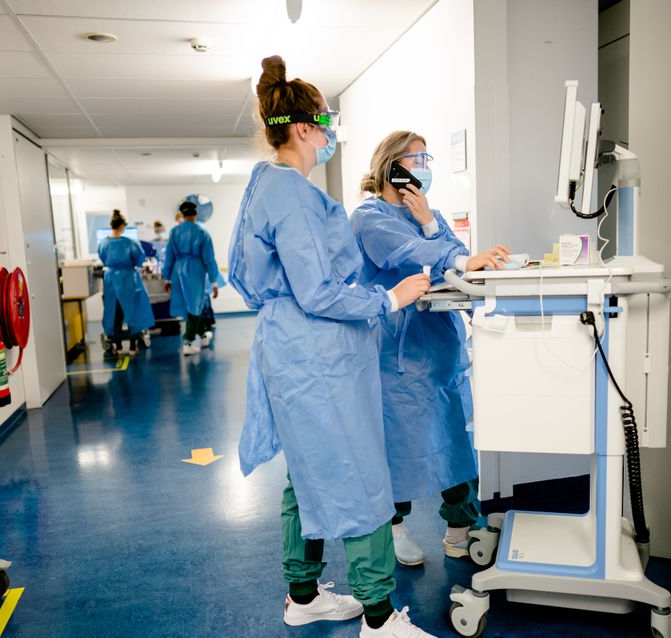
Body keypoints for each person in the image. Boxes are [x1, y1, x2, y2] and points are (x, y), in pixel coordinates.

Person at [229, 56, 435, 638]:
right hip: (317, 356)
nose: (330, 136)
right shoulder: (293, 193)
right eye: (327, 125)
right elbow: (319, 291)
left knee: (307, 473)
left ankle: (302, 596)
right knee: (358, 472)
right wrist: (388, 300)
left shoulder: (263, 185)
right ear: (303, 127)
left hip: (291, 350)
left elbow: (262, 279)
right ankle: (378, 615)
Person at [351, 131, 512, 566]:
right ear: (393, 166)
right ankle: (394, 527)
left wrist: (428, 221)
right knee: (397, 444)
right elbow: (409, 253)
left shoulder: (429, 212)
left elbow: (453, 251)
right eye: (416, 158)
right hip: (396, 352)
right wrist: (443, 247)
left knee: (452, 436)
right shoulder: (369, 216)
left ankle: (459, 530)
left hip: (438, 346)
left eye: (427, 158)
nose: (424, 166)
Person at [162, 201, 220, 355]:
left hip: (177, 271)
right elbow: (209, 258)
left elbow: (169, 256)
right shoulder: (202, 232)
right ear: (196, 213)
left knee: (190, 307)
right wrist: (214, 281)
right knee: (195, 306)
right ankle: (187, 342)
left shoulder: (174, 232)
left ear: (182, 214)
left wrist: (167, 279)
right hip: (195, 271)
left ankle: (203, 334)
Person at [97, 210, 155, 355]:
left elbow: (103, 259)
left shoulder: (103, 243)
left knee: (115, 314)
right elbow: (139, 259)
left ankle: (117, 346)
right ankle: (132, 346)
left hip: (111, 281)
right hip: (128, 279)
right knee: (132, 312)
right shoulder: (129, 243)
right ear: (122, 226)